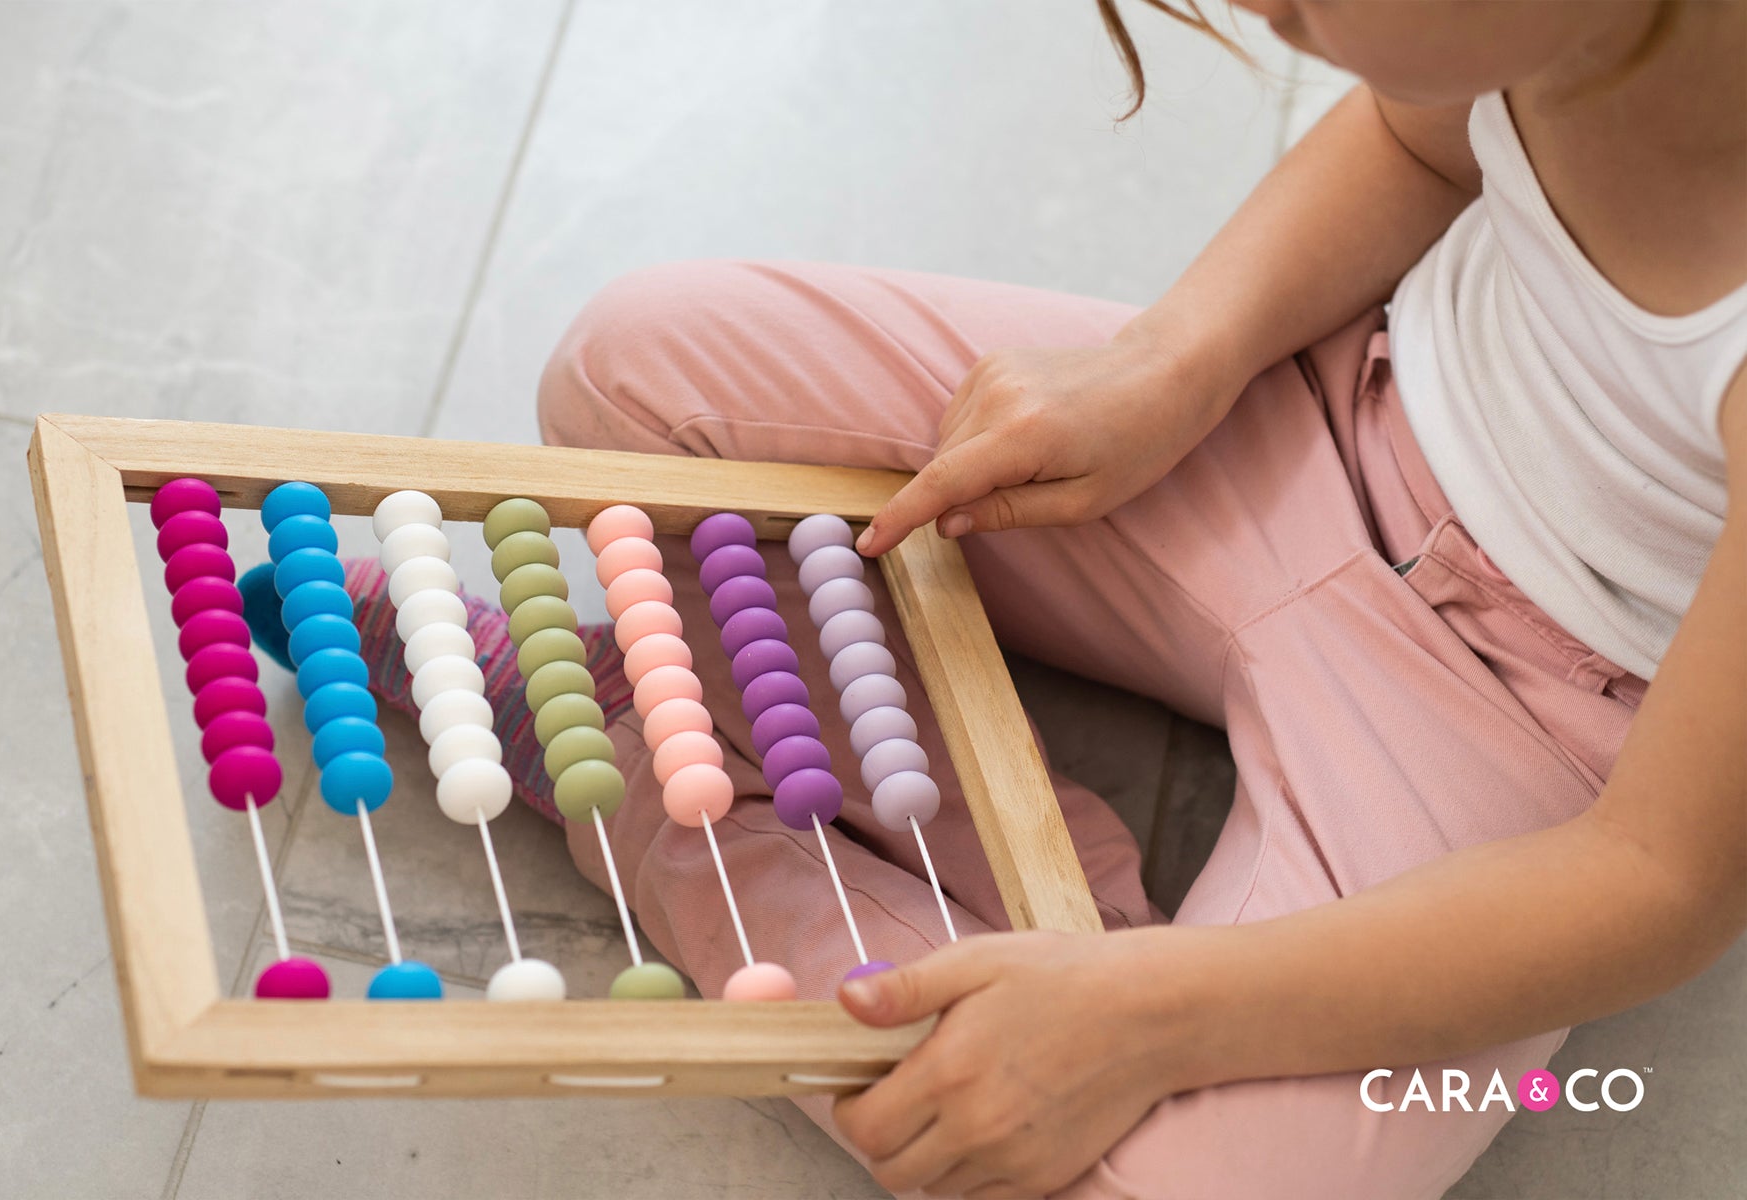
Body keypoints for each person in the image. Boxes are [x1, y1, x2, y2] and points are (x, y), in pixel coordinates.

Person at [349, 1, 1745, 1195]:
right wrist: (1177, 358)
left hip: (1518, 725)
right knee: (633, 374)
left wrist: (1159, 1017)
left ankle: (658, 800)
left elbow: (1660, 882)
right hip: (1300, 434)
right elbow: (1413, 132)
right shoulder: (1568, 28)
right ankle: (1028, 897)